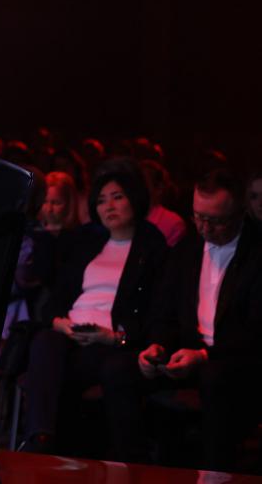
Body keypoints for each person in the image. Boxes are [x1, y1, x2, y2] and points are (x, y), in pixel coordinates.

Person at [102, 169, 262, 470]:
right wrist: (157, 346)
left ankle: (215, 473)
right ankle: (134, 469)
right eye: (198, 217)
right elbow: (164, 312)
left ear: (239, 213)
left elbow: (255, 331)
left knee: (215, 377)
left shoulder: (256, 252)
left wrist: (204, 355)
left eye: (215, 220)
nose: (204, 227)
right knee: (118, 369)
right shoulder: (187, 249)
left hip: (235, 358)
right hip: (186, 354)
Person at [20, 158, 168, 454]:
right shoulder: (87, 244)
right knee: (46, 340)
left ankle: (74, 450)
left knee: (67, 369)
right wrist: (60, 323)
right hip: (70, 334)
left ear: (134, 199)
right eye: (101, 201)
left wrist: (113, 337)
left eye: (117, 197)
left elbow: (155, 310)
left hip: (111, 340)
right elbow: (55, 301)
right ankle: (40, 438)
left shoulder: (151, 246)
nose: (108, 206)